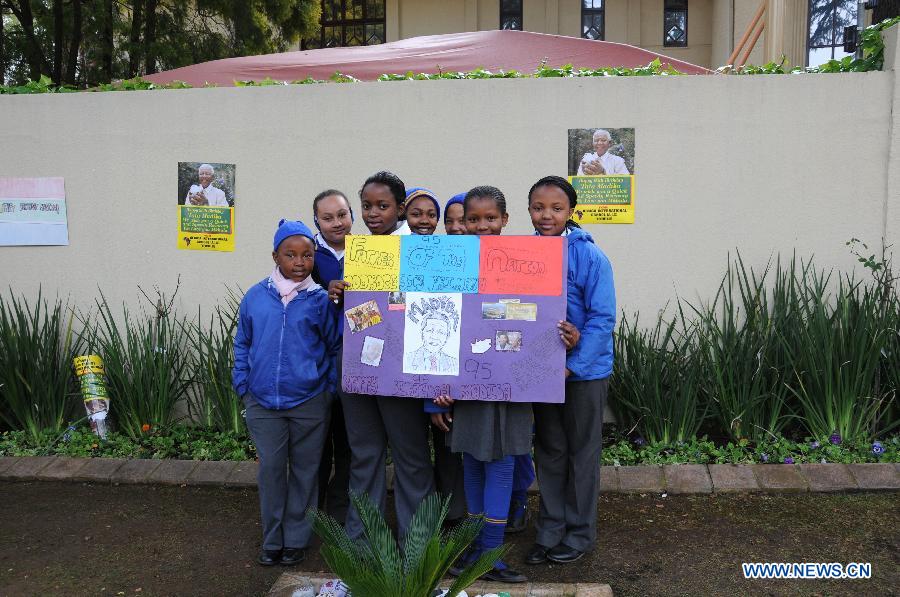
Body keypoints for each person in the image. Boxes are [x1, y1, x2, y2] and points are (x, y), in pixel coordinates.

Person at [429, 185, 580, 584]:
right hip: (466, 386)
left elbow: (541, 316)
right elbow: (434, 323)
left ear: (505, 221)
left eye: (490, 219)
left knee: (501, 465)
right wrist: (436, 391)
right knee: (474, 466)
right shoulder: (448, 263)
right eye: (472, 219)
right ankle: (479, 552)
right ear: (460, 223)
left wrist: (565, 339)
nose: (482, 226)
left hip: (512, 388)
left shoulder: (526, 258)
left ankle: (490, 553)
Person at [327, 171, 435, 541]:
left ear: (402, 208)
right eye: (367, 206)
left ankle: (416, 544)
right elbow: (362, 314)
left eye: (383, 206)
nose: (373, 213)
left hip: (402, 369)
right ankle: (362, 541)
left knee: (410, 457)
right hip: (359, 365)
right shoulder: (359, 251)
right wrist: (339, 291)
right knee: (365, 456)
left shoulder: (421, 251)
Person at [232, 219, 340, 567]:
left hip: (309, 401)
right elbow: (243, 342)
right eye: (290, 255)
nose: (299, 262)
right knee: (272, 471)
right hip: (263, 402)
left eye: (307, 255)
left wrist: (327, 389)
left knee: (307, 472)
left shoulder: (320, 300)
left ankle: (296, 539)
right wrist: (243, 383)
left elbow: (333, 345)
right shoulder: (255, 296)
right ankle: (272, 539)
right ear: (275, 255)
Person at [524, 175, 616, 566]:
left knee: (581, 453)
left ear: (571, 212)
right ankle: (550, 529)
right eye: (539, 208)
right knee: (550, 451)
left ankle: (579, 533)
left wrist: (573, 366)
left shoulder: (590, 256)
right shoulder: (522, 255)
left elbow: (602, 319)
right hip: (543, 370)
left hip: (584, 374)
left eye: (556, 208)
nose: (547, 216)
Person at [311, 189, 354, 526]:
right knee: (316, 440)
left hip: (355, 358)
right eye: (328, 217)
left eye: (342, 214)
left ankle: (340, 510)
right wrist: (326, 296)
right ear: (317, 222)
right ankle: (310, 510)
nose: (337, 223)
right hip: (316, 360)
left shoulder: (369, 252)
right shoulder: (307, 255)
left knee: (349, 439)